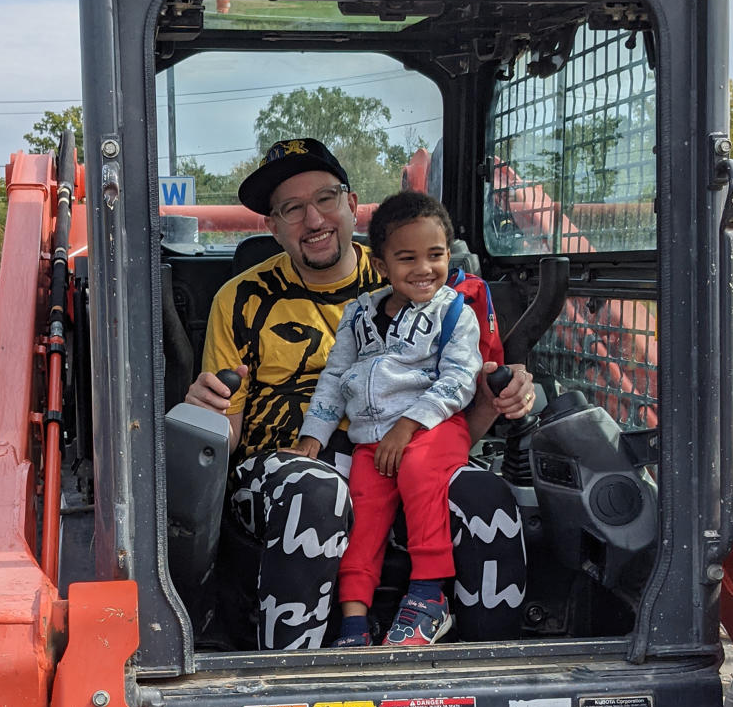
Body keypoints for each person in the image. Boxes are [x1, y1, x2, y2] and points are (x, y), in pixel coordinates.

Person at [185, 137, 535, 650]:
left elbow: (464, 416)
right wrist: (206, 414)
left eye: (325, 199)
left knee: (486, 495)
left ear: (352, 206)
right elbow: (228, 434)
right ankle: (291, 688)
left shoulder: (415, 276)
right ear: (273, 227)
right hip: (281, 465)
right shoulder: (240, 299)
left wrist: (498, 395)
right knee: (317, 489)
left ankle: (489, 679)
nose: (314, 219)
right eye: (292, 208)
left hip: (409, 449)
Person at [295, 192, 481, 647]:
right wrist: (312, 436)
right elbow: (335, 377)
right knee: (363, 514)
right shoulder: (357, 314)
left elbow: (461, 379)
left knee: (418, 470)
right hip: (371, 442)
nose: (424, 268)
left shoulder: (455, 312)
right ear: (381, 266)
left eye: (435, 255)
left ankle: (428, 598)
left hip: (435, 429)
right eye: (407, 258)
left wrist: (410, 424)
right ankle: (355, 623)